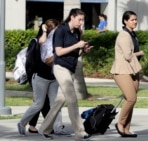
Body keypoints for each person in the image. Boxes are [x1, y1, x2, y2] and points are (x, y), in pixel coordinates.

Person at [38, 8, 93, 141]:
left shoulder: (77, 33)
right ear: (72, 17)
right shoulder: (60, 30)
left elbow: (75, 53)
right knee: (72, 99)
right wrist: (76, 46)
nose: (81, 23)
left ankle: (43, 129)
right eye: (79, 20)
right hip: (60, 68)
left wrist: (83, 50)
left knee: (59, 101)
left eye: (82, 20)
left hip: (71, 69)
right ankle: (80, 132)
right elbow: (59, 52)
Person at [17, 19, 67, 136]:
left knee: (56, 103)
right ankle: (22, 123)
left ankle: (58, 128)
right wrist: (45, 32)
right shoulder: (37, 41)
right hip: (40, 77)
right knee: (38, 104)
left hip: (53, 77)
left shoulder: (57, 42)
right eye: (56, 30)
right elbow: (35, 61)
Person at [110, 10, 144, 138]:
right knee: (131, 98)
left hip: (133, 70)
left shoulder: (132, 34)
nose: (135, 22)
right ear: (125, 21)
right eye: (132, 20)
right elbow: (128, 55)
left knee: (131, 100)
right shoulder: (124, 35)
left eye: (136, 19)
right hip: (122, 71)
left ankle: (126, 129)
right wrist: (140, 53)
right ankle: (120, 124)